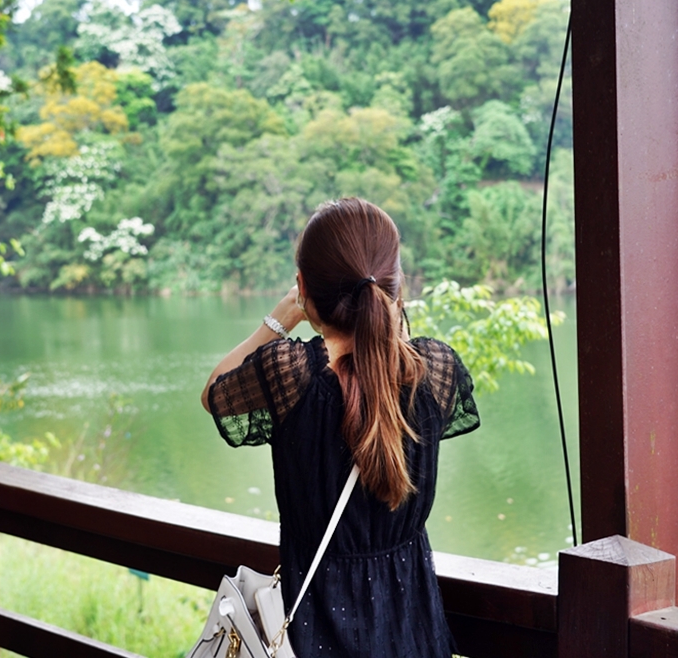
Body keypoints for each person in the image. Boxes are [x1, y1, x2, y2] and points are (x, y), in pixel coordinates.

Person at [201, 197, 480, 657]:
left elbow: (215, 393)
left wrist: (278, 320)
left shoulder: (289, 375)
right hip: (411, 633)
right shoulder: (435, 369)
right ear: (394, 286)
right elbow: (382, 377)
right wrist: (386, 316)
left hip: (315, 632)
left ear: (303, 286)